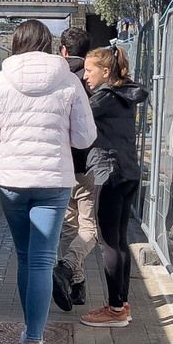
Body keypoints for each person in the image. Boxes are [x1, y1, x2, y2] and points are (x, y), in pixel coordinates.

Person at [0, 20, 96, 344]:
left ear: (15, 44)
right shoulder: (69, 80)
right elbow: (85, 137)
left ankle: (30, 332)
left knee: (26, 257)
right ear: (49, 45)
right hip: (53, 181)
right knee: (43, 259)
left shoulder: (1, 80)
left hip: (12, 181)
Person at [78, 44, 147, 328]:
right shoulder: (124, 94)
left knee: (109, 242)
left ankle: (116, 308)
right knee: (119, 242)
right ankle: (122, 304)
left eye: (89, 70)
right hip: (127, 172)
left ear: (106, 72)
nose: (85, 76)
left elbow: (76, 115)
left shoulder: (104, 97)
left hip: (110, 173)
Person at [52, 26, 97, 313]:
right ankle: (68, 268)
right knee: (89, 226)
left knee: (69, 226)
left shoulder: (55, 77)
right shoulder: (93, 77)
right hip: (88, 163)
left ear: (64, 51)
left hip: (60, 164)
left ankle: (77, 285)